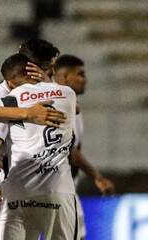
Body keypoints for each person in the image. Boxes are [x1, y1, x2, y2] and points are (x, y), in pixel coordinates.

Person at [0, 38, 62, 240]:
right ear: (31, 69)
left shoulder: (46, 92)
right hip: (2, 187)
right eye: (49, 69)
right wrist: (5, 135)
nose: (52, 74)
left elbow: (72, 110)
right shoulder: (0, 97)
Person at [0, 53, 79, 240]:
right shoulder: (68, 93)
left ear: (10, 82)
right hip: (58, 190)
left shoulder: (9, 101)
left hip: (18, 191)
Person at [54, 54, 115, 239]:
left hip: (63, 185)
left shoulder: (71, 104)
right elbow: (70, 151)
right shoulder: (59, 104)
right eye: (80, 74)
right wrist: (97, 177)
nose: (84, 79)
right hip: (58, 186)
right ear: (64, 77)